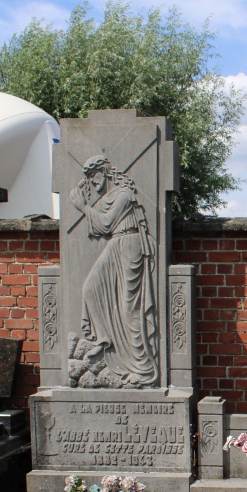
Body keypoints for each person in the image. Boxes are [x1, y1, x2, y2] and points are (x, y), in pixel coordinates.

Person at [69, 155, 157, 386]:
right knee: (90, 288)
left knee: (129, 309)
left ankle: (143, 367)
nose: (91, 181)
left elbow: (106, 223)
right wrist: (87, 207)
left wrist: (83, 207)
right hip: (115, 243)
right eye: (87, 177)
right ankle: (104, 338)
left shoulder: (124, 194)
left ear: (105, 171)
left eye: (93, 175)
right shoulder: (106, 197)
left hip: (130, 244)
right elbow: (99, 229)